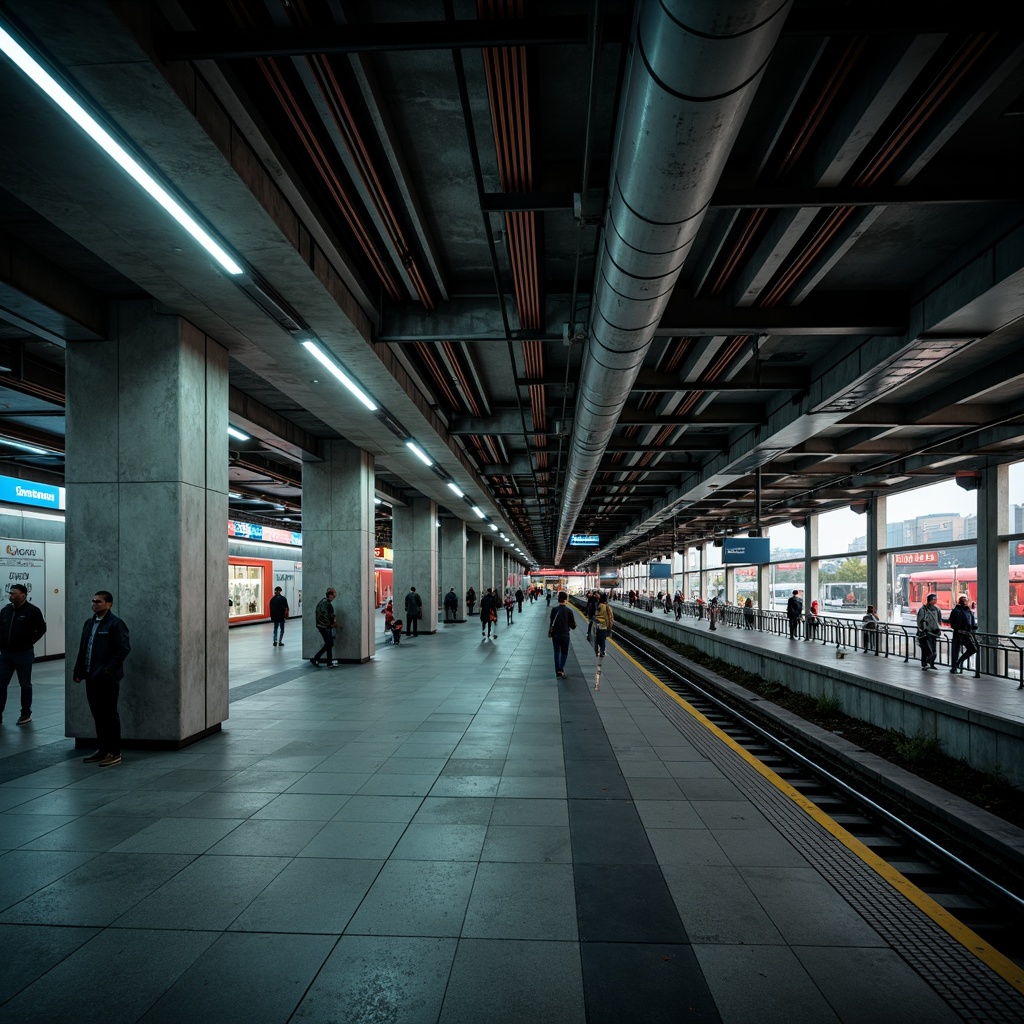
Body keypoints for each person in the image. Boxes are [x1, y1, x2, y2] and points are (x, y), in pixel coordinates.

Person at [73, 591, 130, 767]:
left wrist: (107, 670)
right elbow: (84, 648)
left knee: (110, 715)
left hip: (107, 678)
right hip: (91, 677)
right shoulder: (89, 624)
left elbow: (123, 649)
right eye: (93, 601)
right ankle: (103, 749)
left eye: (98, 601)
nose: (94, 604)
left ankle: (115, 752)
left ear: (109, 604)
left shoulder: (116, 624)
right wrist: (79, 671)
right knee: (98, 715)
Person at [0, 583, 47, 726]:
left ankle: (25, 713)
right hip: (6, 654)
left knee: (25, 684)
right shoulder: (6, 610)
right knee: (1, 684)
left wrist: (28, 642)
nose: (11, 595)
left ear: (23, 595)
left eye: (14, 593)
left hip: (23, 653)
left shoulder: (32, 611)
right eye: (10, 593)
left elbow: (41, 629)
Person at [549, 591, 576, 678]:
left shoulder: (554, 610)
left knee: (556, 652)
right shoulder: (569, 611)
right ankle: (560, 669)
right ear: (566, 599)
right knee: (564, 653)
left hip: (555, 635)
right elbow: (573, 625)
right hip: (565, 635)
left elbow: (551, 621)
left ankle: (557, 670)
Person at [948, 594, 978, 674]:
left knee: (973, 649)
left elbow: (972, 623)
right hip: (958, 633)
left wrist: (973, 628)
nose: (965, 602)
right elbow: (952, 622)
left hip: (967, 634)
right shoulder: (956, 610)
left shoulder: (968, 611)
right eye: (964, 600)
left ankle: (958, 663)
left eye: (966, 600)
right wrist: (957, 628)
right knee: (955, 651)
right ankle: (954, 667)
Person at [311, 588, 338, 667]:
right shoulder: (326, 603)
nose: (334, 597)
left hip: (322, 625)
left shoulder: (323, 602)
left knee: (329, 643)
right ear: (329, 595)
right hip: (324, 626)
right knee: (329, 643)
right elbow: (325, 615)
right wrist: (330, 624)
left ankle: (329, 662)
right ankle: (316, 658)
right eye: (333, 595)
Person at [916, 592, 942, 670]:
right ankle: (924, 663)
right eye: (934, 599)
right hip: (926, 633)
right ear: (930, 600)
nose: (935, 600)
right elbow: (919, 621)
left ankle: (931, 663)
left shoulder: (937, 609)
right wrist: (923, 629)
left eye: (936, 599)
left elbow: (939, 620)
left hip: (934, 633)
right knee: (926, 649)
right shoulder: (923, 609)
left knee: (933, 649)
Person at [593, 593, 614, 658]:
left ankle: (598, 651)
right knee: (603, 639)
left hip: (598, 625)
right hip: (604, 626)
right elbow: (611, 617)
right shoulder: (608, 607)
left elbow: (596, 615)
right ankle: (602, 651)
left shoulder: (599, 606)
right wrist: (609, 626)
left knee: (598, 639)